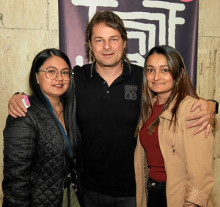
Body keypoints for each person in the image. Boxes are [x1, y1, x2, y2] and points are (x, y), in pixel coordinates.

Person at [7, 11, 216, 207]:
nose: (107, 46)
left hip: (136, 193)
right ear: (90, 44)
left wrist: (211, 105)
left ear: (124, 43)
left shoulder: (144, 78)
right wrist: (20, 97)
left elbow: (176, 98)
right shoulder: (76, 79)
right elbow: (49, 92)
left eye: (113, 39)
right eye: (99, 40)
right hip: (88, 192)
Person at [134, 45, 214, 207]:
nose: (156, 77)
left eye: (164, 70)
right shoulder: (149, 108)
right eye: (150, 70)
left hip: (177, 197)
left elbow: (200, 174)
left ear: (179, 73)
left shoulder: (191, 109)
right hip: (152, 192)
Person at [3, 48, 82, 207]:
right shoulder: (23, 114)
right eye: (51, 71)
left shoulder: (70, 109)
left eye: (65, 72)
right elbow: (16, 179)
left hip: (68, 196)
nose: (59, 78)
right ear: (37, 76)